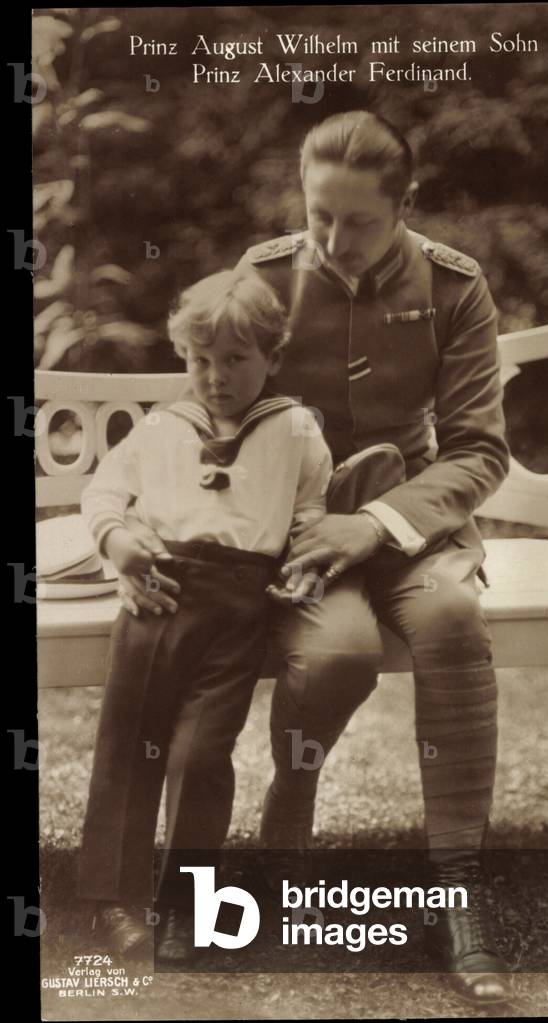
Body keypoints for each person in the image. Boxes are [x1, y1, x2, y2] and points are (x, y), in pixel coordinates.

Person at [121, 110, 513, 1003]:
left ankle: (460, 889)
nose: (334, 239)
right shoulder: (263, 276)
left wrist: (373, 523)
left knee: (453, 617)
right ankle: (288, 817)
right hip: (293, 528)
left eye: (360, 220)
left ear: (405, 204)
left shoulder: (456, 287)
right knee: (337, 652)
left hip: (411, 522)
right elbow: (208, 403)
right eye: (319, 214)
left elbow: (479, 449)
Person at [77, 270, 333, 962]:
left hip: (239, 611)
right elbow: (104, 492)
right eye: (199, 360)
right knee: (130, 750)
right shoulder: (162, 427)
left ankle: (186, 906)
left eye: (235, 360)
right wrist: (119, 544)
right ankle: (114, 900)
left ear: (272, 357)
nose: (215, 377)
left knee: (200, 756)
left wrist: (306, 554)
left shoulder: (294, 429)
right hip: (157, 595)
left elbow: (311, 508)